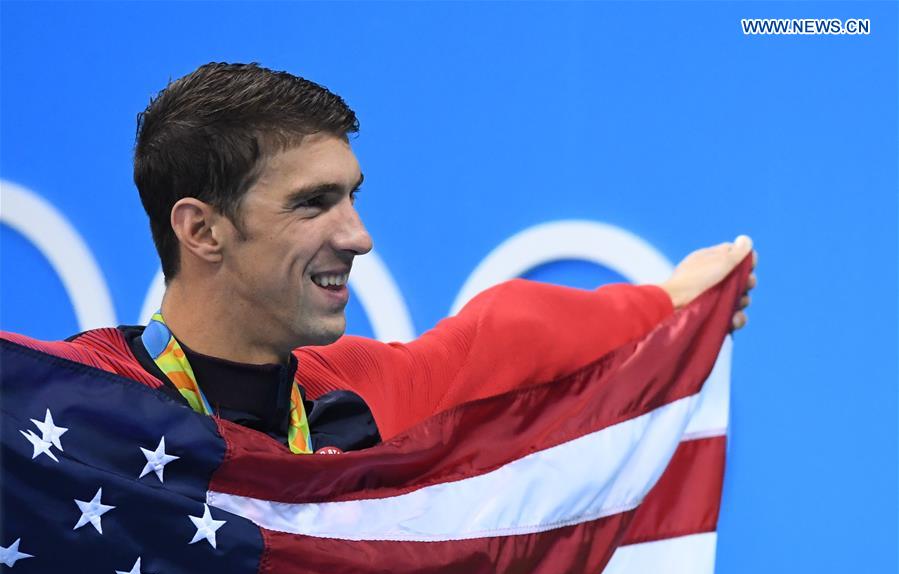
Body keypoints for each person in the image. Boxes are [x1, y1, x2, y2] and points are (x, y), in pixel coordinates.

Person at [4, 61, 757, 453]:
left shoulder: (353, 394)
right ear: (202, 231)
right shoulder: (72, 406)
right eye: (312, 203)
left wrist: (665, 305)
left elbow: (504, 338)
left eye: (352, 197)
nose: (358, 236)